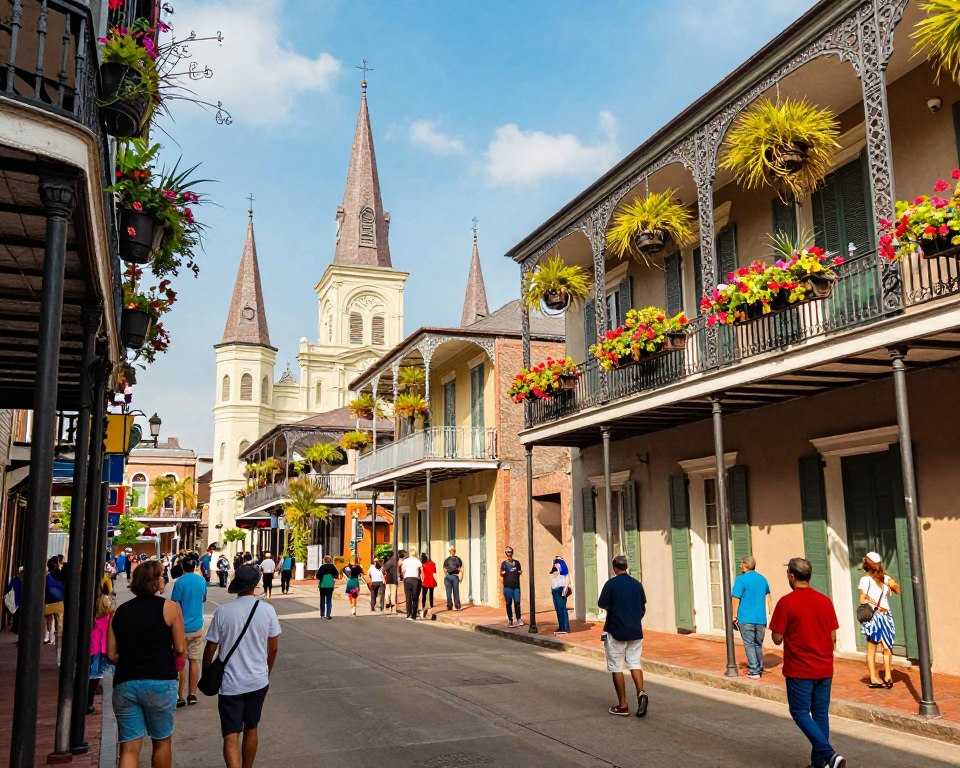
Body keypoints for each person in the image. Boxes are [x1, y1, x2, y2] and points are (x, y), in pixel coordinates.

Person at [107, 559, 186, 768]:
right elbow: (179, 648)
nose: (164, 579)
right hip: (160, 680)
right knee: (161, 741)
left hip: (126, 681)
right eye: (161, 575)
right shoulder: (170, 608)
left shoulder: (120, 612)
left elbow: (111, 653)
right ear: (154, 580)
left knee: (129, 747)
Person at [203, 565, 281, 768]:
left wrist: (207, 673)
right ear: (256, 585)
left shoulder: (223, 611)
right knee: (252, 727)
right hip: (257, 680)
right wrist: (267, 672)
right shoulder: (267, 610)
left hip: (230, 683)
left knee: (230, 734)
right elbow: (273, 649)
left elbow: (211, 648)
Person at [770, 557, 844, 768]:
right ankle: (817, 764)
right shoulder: (825, 601)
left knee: (800, 713)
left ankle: (829, 755)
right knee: (820, 714)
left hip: (799, 669)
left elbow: (777, 638)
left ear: (791, 576)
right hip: (824, 667)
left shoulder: (786, 602)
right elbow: (833, 637)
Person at [597, 555, 648, 717]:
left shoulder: (611, 584)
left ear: (614, 568)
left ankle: (623, 705)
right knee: (634, 663)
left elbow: (601, 603)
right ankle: (641, 693)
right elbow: (642, 606)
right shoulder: (636, 584)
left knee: (616, 667)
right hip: (635, 630)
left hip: (616, 630)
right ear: (626, 567)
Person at [858, 551, 900, 689]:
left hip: (875, 617)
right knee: (887, 647)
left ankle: (874, 677)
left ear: (866, 565)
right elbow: (897, 590)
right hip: (886, 616)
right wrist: (893, 585)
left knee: (872, 649)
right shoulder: (885, 579)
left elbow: (862, 599)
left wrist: (876, 604)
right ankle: (888, 676)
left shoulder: (866, 580)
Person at [171, 556, 207, 707]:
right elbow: (204, 598)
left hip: (181, 628)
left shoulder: (179, 582)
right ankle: (192, 694)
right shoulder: (201, 581)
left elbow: (174, 603)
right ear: (196, 566)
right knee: (194, 661)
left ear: (182, 566)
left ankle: (180, 696)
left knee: (180, 663)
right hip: (197, 626)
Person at [731, 555, 772, 679]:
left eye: (741, 564)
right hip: (760, 618)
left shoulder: (740, 579)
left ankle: (754, 671)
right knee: (758, 644)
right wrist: (769, 613)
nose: (740, 566)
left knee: (749, 644)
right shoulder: (762, 579)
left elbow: (735, 599)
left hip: (746, 617)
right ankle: (759, 666)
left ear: (746, 565)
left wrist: (734, 616)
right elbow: (768, 597)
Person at [88, 593, 115, 714]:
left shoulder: (93, 618)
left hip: (93, 648)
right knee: (96, 676)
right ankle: (88, 703)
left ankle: (88, 702)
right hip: (102, 648)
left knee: (93, 675)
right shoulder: (109, 617)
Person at [44, 557, 65, 649]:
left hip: (49, 601)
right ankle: (58, 637)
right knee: (59, 621)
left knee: (49, 620)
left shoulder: (48, 576)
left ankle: (50, 637)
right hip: (60, 600)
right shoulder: (61, 574)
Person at [500, 547, 523, 627]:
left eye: (510, 552)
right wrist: (503, 572)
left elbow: (520, 572)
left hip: (516, 586)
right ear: (505, 553)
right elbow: (501, 573)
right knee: (508, 603)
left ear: (512, 552)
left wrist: (519, 572)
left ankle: (519, 618)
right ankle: (510, 619)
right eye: (507, 552)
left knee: (517, 603)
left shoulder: (517, 563)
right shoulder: (504, 563)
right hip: (507, 587)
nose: (509, 553)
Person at [550, 560, 571, 635]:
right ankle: (561, 626)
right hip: (555, 590)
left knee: (562, 609)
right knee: (558, 609)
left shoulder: (563, 571)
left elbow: (566, 582)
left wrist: (563, 590)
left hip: (560, 590)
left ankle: (565, 628)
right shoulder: (555, 570)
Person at [401, 548, 422, 621]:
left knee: (408, 597)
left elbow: (403, 570)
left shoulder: (405, 561)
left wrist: (404, 577)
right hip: (415, 579)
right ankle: (414, 615)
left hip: (407, 579)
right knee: (415, 597)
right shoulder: (417, 561)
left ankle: (408, 613)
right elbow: (421, 569)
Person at [5, 566, 23, 635]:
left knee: (16, 616)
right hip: (20, 601)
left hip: (16, 601)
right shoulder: (26, 581)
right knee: (18, 616)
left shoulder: (15, 580)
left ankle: (15, 629)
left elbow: (9, 588)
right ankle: (16, 630)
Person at [420, 552, 437, 619]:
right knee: (431, 594)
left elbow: (422, 574)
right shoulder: (433, 564)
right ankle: (431, 605)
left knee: (424, 595)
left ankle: (423, 606)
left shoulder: (423, 565)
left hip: (425, 581)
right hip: (432, 581)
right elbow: (434, 572)